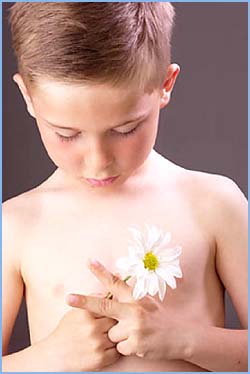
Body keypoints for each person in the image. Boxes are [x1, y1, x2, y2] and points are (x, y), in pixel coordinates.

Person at [2, 2, 247, 372]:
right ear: (28, 98)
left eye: (124, 129)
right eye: (67, 135)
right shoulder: (17, 224)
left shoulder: (214, 204)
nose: (98, 160)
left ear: (165, 85)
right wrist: (47, 359)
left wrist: (184, 338)